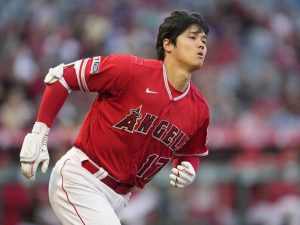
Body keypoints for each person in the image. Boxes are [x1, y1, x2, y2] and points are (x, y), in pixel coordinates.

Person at [20, 10, 210, 225]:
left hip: (121, 198)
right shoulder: (130, 70)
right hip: (81, 179)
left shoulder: (199, 109)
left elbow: (190, 152)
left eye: (204, 40)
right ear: (168, 44)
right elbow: (62, 76)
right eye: (192, 38)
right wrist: (39, 133)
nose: (201, 45)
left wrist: (189, 168)